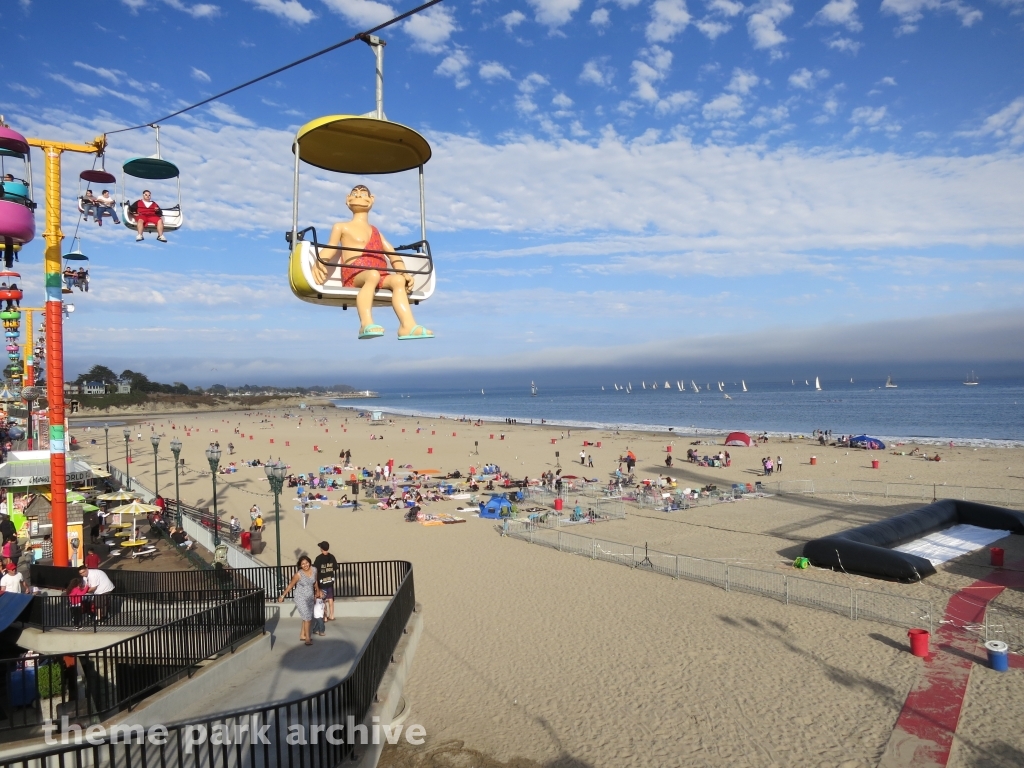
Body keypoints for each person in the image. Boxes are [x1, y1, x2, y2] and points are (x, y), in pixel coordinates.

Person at [316, 185, 433, 340]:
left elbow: (392, 254)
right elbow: (331, 246)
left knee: (398, 280)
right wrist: (320, 262)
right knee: (372, 275)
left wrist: (403, 273)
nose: (358, 196)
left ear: (371, 200)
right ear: (347, 199)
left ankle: (407, 326)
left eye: (363, 194)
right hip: (355, 274)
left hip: (380, 274)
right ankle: (366, 323)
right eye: (354, 193)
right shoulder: (341, 227)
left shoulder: (376, 231)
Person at [278, 555, 322, 646]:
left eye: (306, 563)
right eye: (303, 564)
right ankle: (307, 638)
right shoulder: (298, 575)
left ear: (309, 562)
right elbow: (290, 585)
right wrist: (282, 595)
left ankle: (302, 635)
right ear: (300, 565)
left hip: (310, 596)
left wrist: (318, 591)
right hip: (300, 597)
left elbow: (315, 581)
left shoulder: (314, 570)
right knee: (308, 618)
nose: (305, 565)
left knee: (306, 616)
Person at [313, 541, 338, 622]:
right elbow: (335, 567)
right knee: (330, 598)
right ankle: (332, 615)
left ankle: (325, 617)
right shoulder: (332, 557)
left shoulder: (319, 558)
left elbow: (315, 569)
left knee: (323, 599)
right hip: (330, 580)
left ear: (321, 549)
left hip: (322, 581)